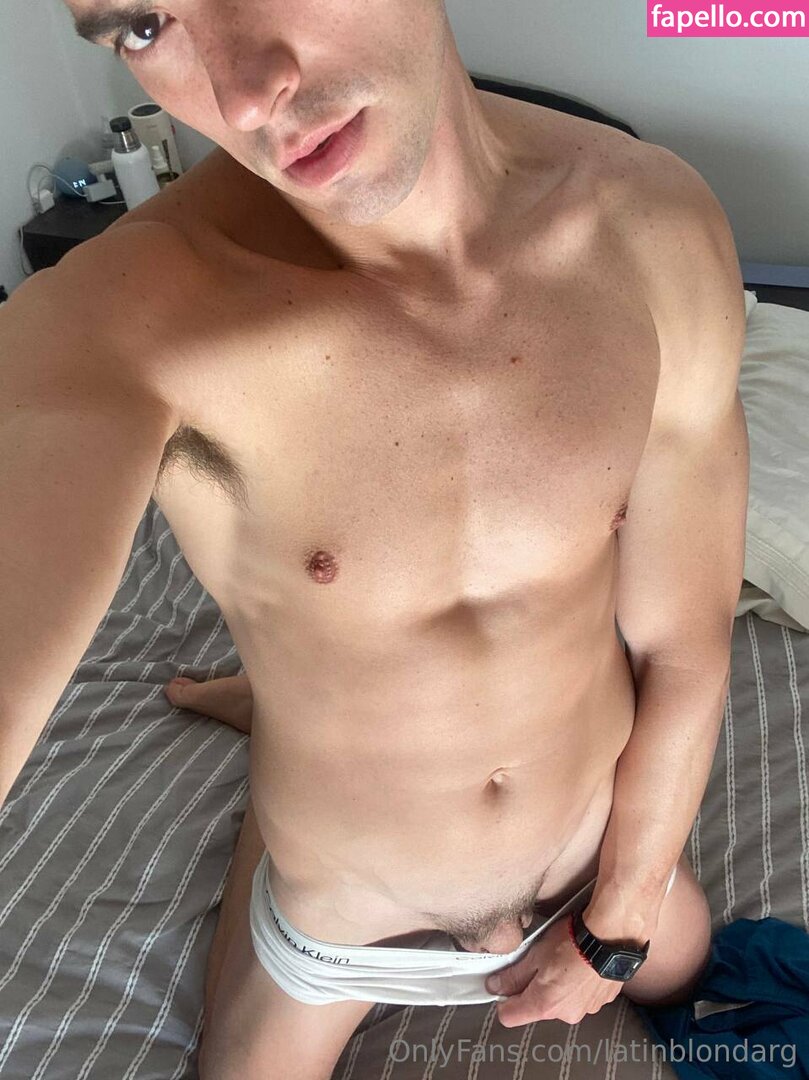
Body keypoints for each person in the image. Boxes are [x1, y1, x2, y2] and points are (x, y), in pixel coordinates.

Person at [1, 0, 749, 1076]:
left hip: (591, 865)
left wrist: (618, 925)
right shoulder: (119, 320)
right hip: (342, 922)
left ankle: (265, 697)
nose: (243, 94)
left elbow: (683, 641)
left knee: (694, 978)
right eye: (143, 25)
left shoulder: (651, 229)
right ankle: (273, 713)